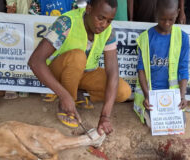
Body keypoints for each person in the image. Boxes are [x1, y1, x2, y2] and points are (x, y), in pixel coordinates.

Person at [29, 0, 131, 135]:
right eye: (100, 18)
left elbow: (112, 71)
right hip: (59, 71)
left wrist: (105, 116)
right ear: (88, 9)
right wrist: (64, 95)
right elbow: (35, 61)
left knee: (124, 91)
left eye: (109, 21)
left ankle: (77, 92)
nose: (104, 25)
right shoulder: (66, 22)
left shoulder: (108, 32)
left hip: (84, 73)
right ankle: (66, 102)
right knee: (78, 56)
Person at [133, 0, 189, 124]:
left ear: (178, 13)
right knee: (154, 124)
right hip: (150, 94)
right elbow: (141, 70)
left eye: (171, 19)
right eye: (162, 19)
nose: (167, 23)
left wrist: (182, 95)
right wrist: (147, 96)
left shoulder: (182, 37)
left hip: (172, 96)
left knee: (178, 124)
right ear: (156, 13)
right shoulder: (145, 38)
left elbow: (183, 69)